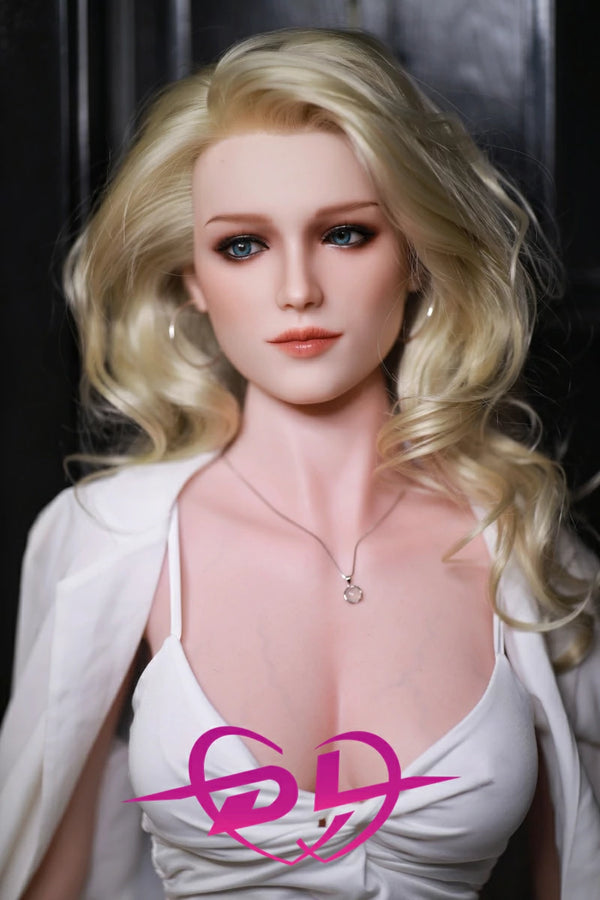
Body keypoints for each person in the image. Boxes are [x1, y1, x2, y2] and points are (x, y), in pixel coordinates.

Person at [1, 27, 599, 900]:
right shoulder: (106, 540)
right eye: (242, 245)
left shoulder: (527, 548)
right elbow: (42, 872)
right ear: (192, 277)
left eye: (346, 234)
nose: (297, 292)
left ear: (417, 255)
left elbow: (575, 869)